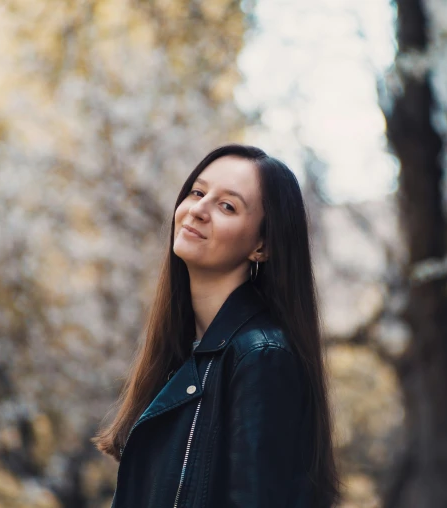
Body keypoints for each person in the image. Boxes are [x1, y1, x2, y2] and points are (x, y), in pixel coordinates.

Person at [94, 144, 341, 507]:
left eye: (227, 206)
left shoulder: (261, 358)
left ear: (262, 245)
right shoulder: (183, 355)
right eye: (197, 192)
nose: (198, 210)